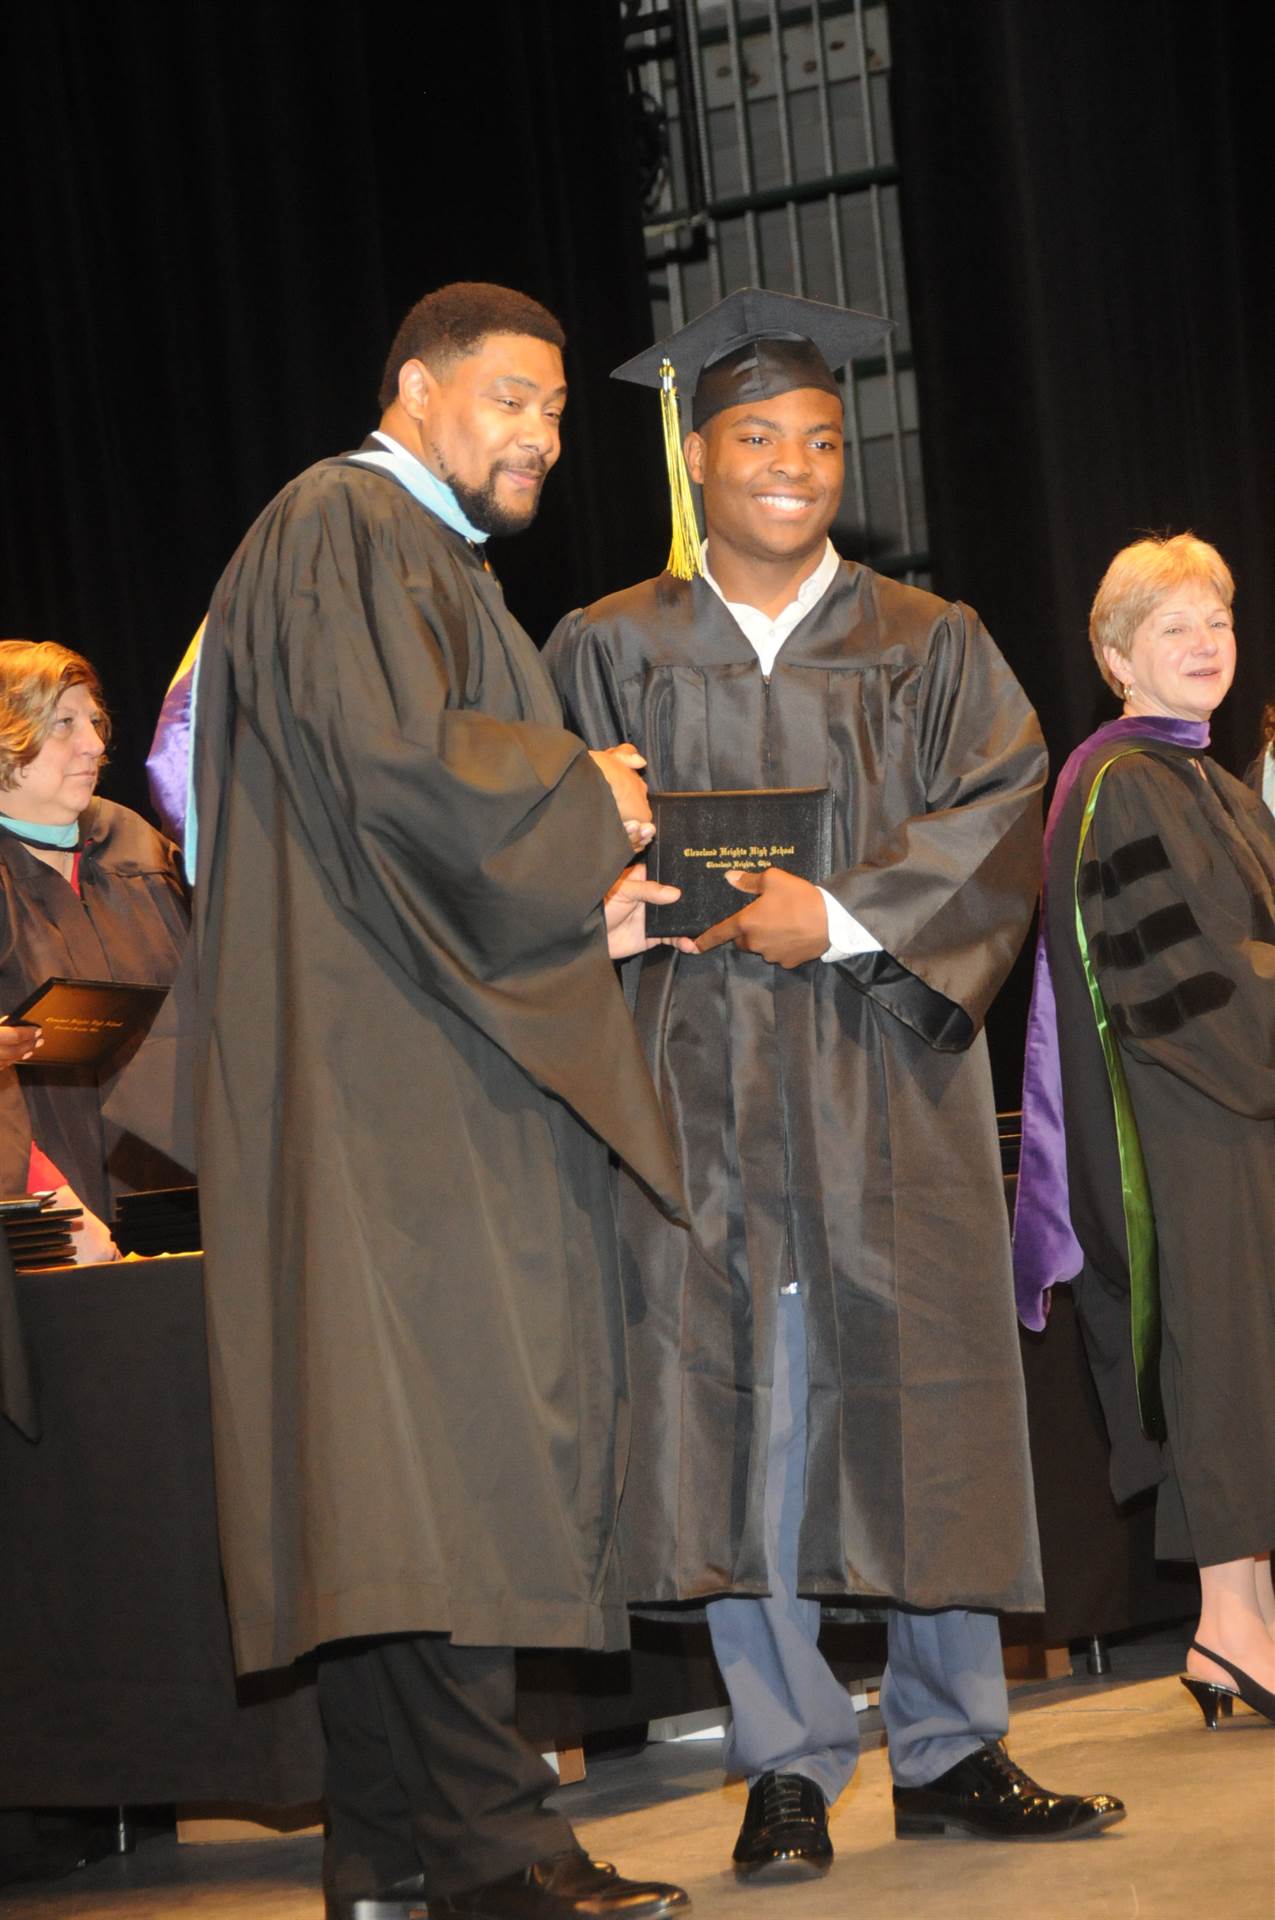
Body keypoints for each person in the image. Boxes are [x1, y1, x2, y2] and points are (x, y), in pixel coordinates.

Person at [545, 287, 1123, 1878]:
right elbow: (531, 834)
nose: (791, 466)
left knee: (915, 1393)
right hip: (690, 1080)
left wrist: (846, 915)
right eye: (754, 438)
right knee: (745, 1415)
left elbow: (1006, 813)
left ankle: (949, 1748)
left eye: (816, 438)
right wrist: (590, 905)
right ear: (696, 461)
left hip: (880, 1067)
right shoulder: (604, 649)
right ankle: (781, 1763)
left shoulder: (928, 642)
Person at [190, 283, 690, 1920]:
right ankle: (499, 1860)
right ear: (416, 389)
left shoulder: (416, 558)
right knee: (454, 1463)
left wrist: (576, 899)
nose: (541, 431)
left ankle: (390, 1854)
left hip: (395, 1059)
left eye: (557, 408)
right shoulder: (347, 524)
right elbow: (406, 775)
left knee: (388, 1486)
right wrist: (585, 795)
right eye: (509, 399)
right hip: (390, 1086)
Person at [1014, 532, 1275, 1731]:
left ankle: (1243, 1628)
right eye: (1174, 628)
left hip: (1236, 1114)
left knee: (1250, 1364)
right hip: (1188, 1123)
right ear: (1118, 656)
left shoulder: (1206, 778)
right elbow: (1184, 983)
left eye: (1216, 621)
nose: (1205, 643)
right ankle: (1229, 1623)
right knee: (1221, 1362)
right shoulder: (1122, 781)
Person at [0, 640, 189, 1265]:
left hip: (180, 1197)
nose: (96, 745)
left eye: (94, 722)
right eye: (64, 724)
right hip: (52, 1224)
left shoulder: (135, 844)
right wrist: (46, 1207)